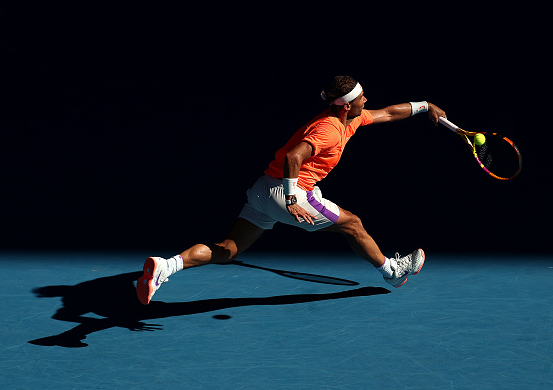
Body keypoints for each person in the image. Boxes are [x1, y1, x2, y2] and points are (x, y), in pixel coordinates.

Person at [137, 75, 446, 305]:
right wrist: (292, 198)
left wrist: (425, 106)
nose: (368, 100)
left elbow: (390, 113)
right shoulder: (329, 129)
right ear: (348, 105)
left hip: (261, 190)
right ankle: (391, 271)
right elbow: (293, 157)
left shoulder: (350, 119)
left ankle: (167, 266)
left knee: (229, 249)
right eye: (363, 97)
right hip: (289, 192)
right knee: (352, 224)